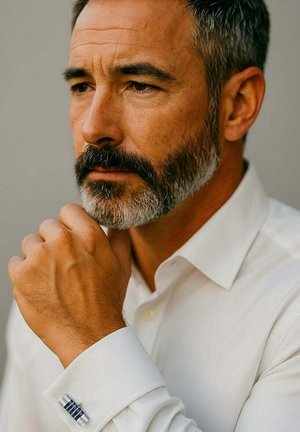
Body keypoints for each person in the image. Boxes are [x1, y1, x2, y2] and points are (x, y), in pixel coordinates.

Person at [1, 0, 300, 430]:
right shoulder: (53, 281)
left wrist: (91, 342)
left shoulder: (290, 303)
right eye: (82, 85)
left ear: (237, 104)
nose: (93, 127)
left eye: (139, 84)